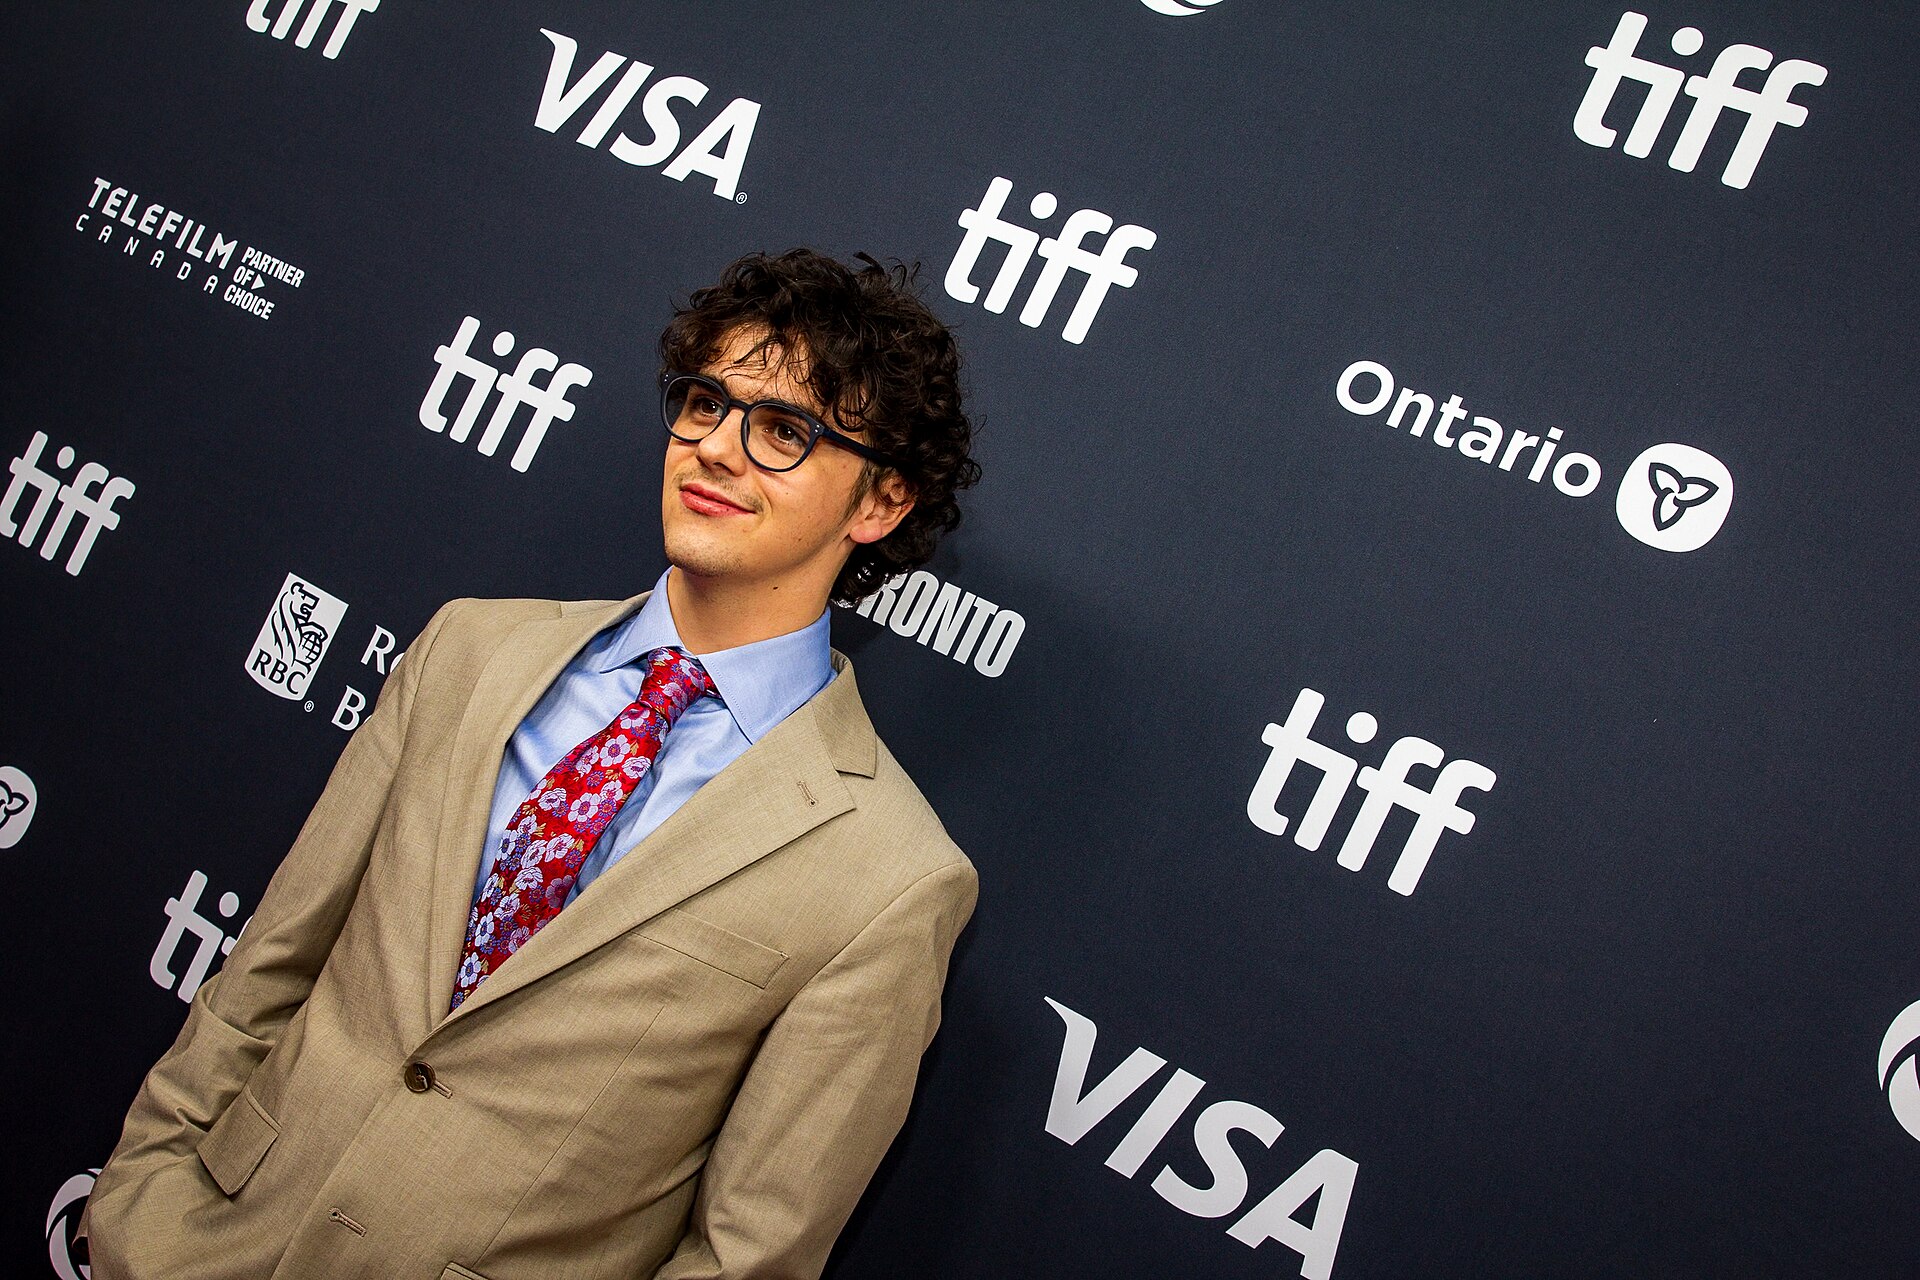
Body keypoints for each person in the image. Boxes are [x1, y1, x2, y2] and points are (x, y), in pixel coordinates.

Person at [84, 249, 982, 1279]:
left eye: (785, 431)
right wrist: (142, 1202)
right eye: (704, 402)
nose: (717, 451)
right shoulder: (469, 652)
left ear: (880, 503)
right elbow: (271, 964)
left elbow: (750, 1250)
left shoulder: (893, 875)